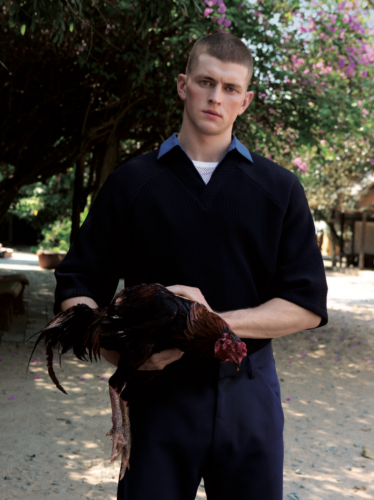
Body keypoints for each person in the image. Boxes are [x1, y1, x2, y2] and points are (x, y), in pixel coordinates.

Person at [54, 33, 328, 500]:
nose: (215, 97)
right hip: (156, 395)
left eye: (230, 88)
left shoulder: (279, 188)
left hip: (249, 391)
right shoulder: (131, 182)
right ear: (183, 85)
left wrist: (205, 324)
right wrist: (119, 349)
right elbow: (77, 283)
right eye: (205, 82)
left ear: (246, 100)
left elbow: (305, 304)